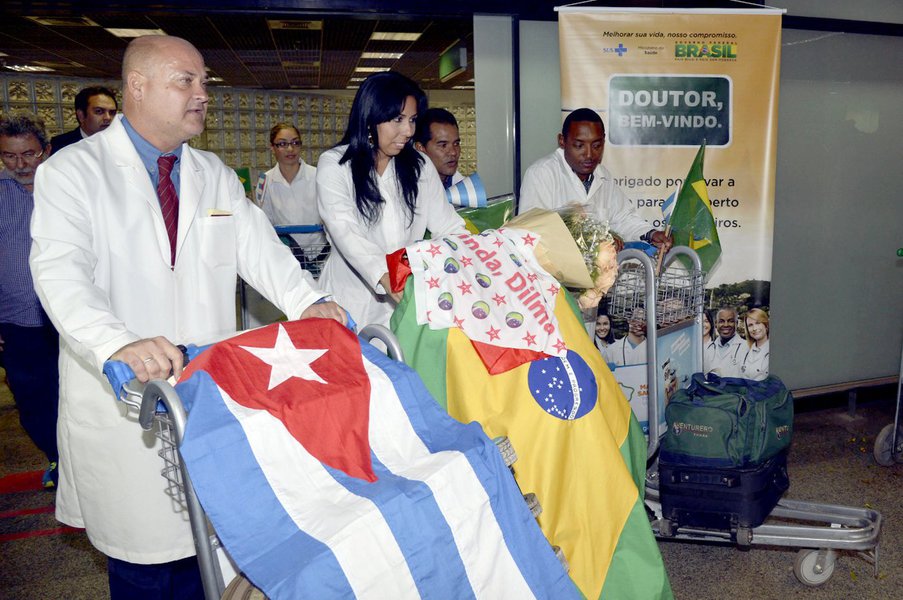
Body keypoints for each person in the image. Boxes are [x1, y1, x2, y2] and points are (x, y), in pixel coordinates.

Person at [30, 35, 345, 599]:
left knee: (210, 557)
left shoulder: (213, 174)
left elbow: (261, 251)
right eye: (187, 81)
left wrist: (307, 302)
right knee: (145, 565)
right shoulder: (73, 172)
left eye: (205, 82)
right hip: (127, 400)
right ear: (138, 87)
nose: (203, 94)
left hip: (205, 395)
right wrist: (115, 342)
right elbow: (59, 272)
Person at [316, 71, 466, 327]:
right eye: (398, 119)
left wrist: (474, 257)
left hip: (407, 298)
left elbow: (449, 226)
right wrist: (386, 275)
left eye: (412, 119)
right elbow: (346, 231)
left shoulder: (420, 167)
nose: (408, 131)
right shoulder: (336, 165)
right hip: (350, 303)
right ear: (371, 117)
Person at [0, 114, 59, 489]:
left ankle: (83, 463)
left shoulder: (68, 188)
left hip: (67, 319)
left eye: (28, 154)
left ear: (46, 151)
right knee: (32, 399)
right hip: (16, 321)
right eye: (9, 156)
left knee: (76, 396)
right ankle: (57, 457)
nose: (20, 165)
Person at [519, 108, 672, 252]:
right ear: (562, 141)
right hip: (551, 277)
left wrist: (651, 235)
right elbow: (532, 231)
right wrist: (593, 238)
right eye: (579, 145)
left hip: (597, 275)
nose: (589, 155)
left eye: (597, 145)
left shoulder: (603, 176)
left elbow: (623, 218)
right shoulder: (541, 174)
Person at [256, 122, 327, 272]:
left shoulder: (318, 176)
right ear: (272, 147)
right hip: (286, 260)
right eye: (282, 144)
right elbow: (265, 223)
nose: (290, 149)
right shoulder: (265, 181)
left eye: (295, 142)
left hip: (322, 257)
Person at [49, 86, 118, 153]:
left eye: (112, 112)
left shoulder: (122, 142)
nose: (108, 118)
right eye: (99, 111)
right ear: (81, 116)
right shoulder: (60, 146)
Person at [413, 107, 464, 188]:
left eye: (456, 143)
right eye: (443, 145)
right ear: (420, 148)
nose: (453, 152)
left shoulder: (464, 189)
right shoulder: (406, 190)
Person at [707, 307, 744, 378]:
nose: (726, 325)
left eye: (730, 321)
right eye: (721, 321)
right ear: (715, 324)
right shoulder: (709, 348)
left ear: (736, 324)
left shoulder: (746, 347)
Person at [741, 308, 770, 381]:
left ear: (766, 325)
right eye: (750, 325)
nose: (754, 328)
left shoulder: (774, 349)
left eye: (758, 323)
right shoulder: (745, 351)